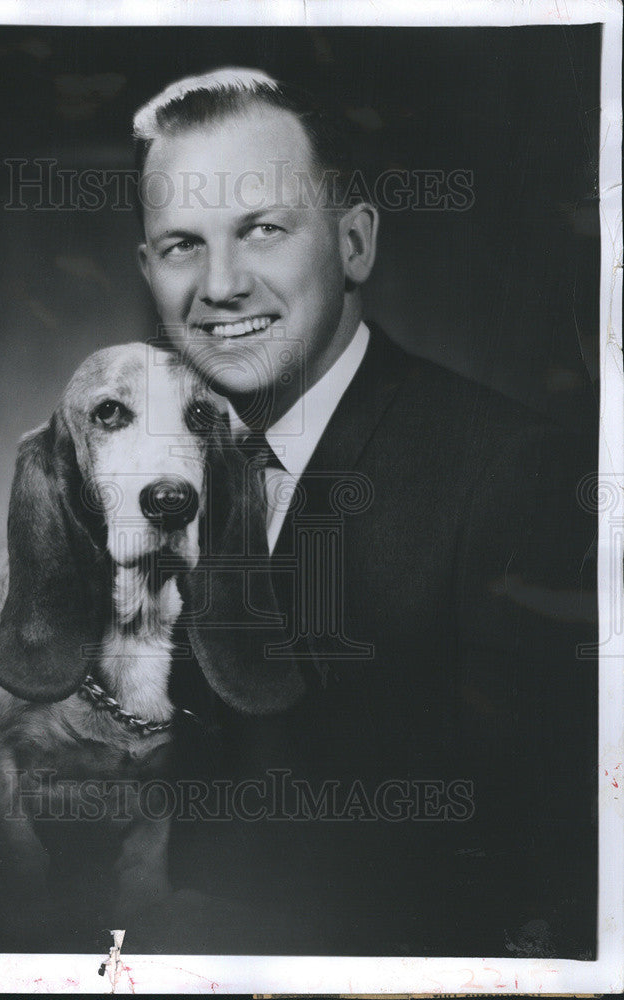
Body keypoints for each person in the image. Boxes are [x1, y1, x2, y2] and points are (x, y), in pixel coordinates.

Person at [131, 68, 597, 957]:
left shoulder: (510, 472)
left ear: (352, 244)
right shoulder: (149, 476)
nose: (219, 285)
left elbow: (548, 867)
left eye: (261, 230)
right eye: (182, 244)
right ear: (149, 270)